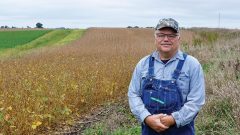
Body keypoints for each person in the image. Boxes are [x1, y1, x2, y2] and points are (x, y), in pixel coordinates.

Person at [128, 18, 205, 135]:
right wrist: (146, 118)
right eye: (161, 35)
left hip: (182, 130)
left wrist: (173, 119)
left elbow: (196, 101)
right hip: (149, 129)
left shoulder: (192, 65)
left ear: (178, 38)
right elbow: (133, 94)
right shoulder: (142, 64)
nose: (166, 39)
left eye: (171, 35)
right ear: (155, 37)